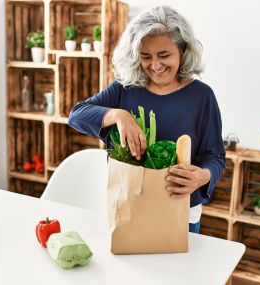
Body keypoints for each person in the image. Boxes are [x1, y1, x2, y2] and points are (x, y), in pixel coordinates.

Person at [69, 5, 225, 234]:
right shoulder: (125, 90)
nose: (155, 65)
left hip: (180, 212)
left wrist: (203, 175)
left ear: (182, 50)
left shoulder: (201, 96)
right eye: (145, 57)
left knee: (177, 270)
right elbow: (76, 115)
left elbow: (215, 156)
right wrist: (117, 115)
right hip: (129, 208)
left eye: (164, 55)